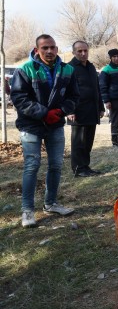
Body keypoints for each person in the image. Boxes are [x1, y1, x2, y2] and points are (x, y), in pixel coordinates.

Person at [10, 34, 79, 227]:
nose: (49, 51)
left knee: (56, 165)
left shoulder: (68, 70)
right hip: (31, 125)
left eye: (52, 47)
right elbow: (19, 98)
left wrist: (61, 111)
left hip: (55, 124)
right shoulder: (25, 70)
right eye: (44, 48)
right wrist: (43, 113)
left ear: (57, 49)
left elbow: (75, 96)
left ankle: (51, 203)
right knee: (32, 166)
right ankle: (27, 210)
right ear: (37, 49)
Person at [67, 41, 104, 178]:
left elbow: (97, 89)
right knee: (79, 143)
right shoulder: (69, 68)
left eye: (85, 51)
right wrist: (70, 110)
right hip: (78, 112)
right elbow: (66, 91)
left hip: (92, 111)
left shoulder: (91, 67)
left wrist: (100, 107)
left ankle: (85, 166)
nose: (83, 53)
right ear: (73, 52)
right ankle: (78, 168)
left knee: (88, 142)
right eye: (79, 51)